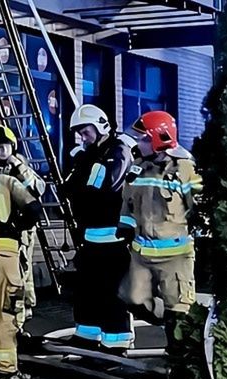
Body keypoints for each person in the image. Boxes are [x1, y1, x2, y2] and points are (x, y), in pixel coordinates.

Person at [119, 110, 203, 346]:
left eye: (144, 138)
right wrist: (125, 225)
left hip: (175, 256)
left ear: (160, 139)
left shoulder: (184, 168)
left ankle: (179, 362)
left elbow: (199, 205)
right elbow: (128, 201)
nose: (138, 143)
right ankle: (166, 319)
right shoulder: (137, 167)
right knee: (133, 299)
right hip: (142, 255)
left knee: (178, 313)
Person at [65, 104, 134, 352]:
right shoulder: (89, 156)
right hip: (90, 239)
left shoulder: (118, 151)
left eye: (86, 132)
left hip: (112, 240)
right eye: (81, 133)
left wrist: (82, 178)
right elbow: (70, 188)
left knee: (110, 293)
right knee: (86, 291)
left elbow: (100, 187)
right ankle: (86, 336)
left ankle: (116, 343)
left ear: (100, 126)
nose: (83, 138)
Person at [0, 126, 44, 379]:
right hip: (6, 250)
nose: (3, 152)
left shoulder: (16, 171)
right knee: (5, 310)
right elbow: (34, 207)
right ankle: (5, 366)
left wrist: (19, 167)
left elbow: (38, 187)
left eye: (6, 147)